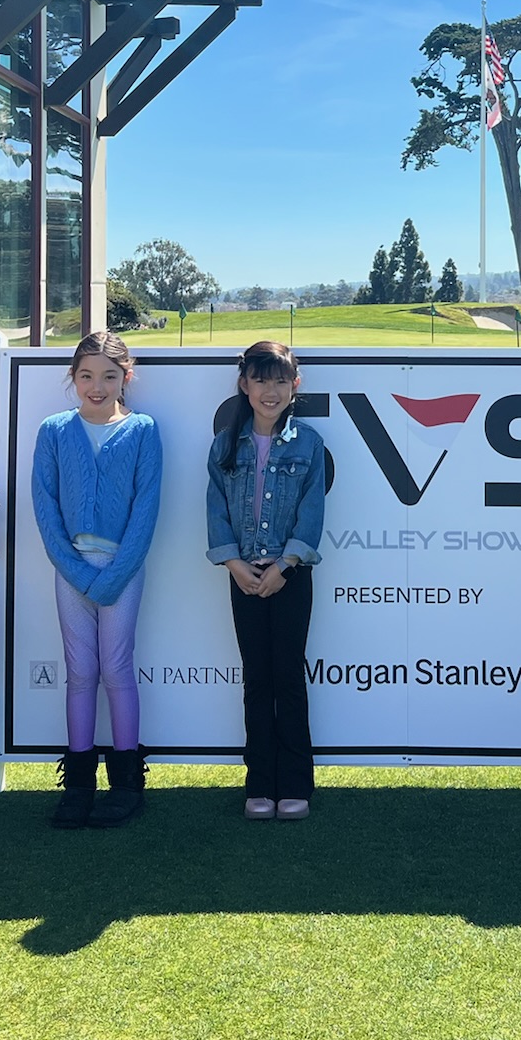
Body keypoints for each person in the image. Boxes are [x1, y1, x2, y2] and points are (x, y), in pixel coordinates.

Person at [32, 330, 163, 830]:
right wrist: (77, 571)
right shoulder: (54, 431)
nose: (97, 386)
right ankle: (79, 784)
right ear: (73, 377)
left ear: (126, 377)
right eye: (86, 375)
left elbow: (145, 511)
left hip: (122, 571)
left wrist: (111, 579)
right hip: (70, 571)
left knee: (117, 667)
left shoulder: (143, 430)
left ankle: (127, 784)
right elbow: (45, 508)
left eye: (109, 376)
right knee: (80, 671)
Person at [206, 341, 326, 821]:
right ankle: (259, 783)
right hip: (243, 576)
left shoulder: (309, 443)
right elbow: (216, 509)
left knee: (288, 678)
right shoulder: (225, 444)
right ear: (244, 384)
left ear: (295, 385)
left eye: (280, 380)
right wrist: (234, 565)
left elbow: (312, 512)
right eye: (260, 380)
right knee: (257, 679)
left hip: (290, 576)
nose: (270, 391)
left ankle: (295, 784)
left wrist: (285, 565)